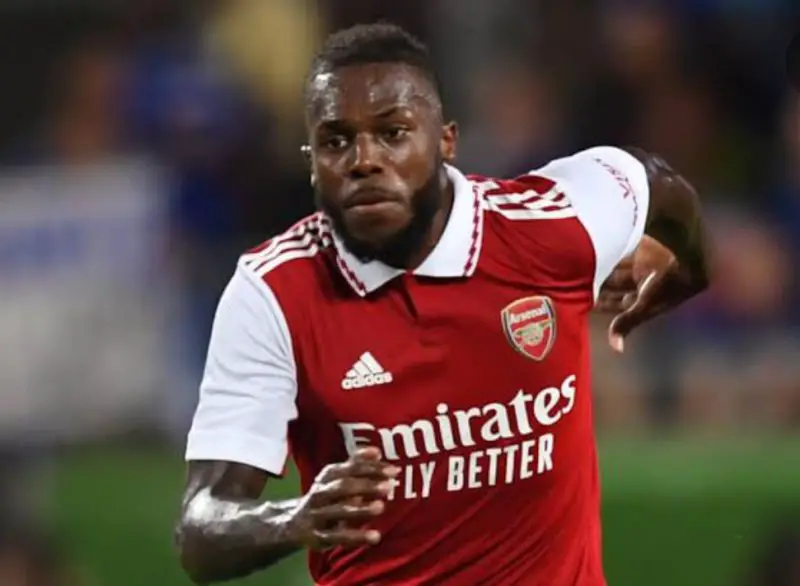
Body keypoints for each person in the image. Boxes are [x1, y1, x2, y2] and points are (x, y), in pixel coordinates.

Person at [176, 23, 711, 586]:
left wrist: (687, 274)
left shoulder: (554, 226)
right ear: (312, 160)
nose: (363, 160)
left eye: (392, 133)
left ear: (446, 141)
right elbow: (200, 530)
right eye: (336, 141)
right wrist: (293, 519)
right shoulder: (273, 293)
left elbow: (658, 184)